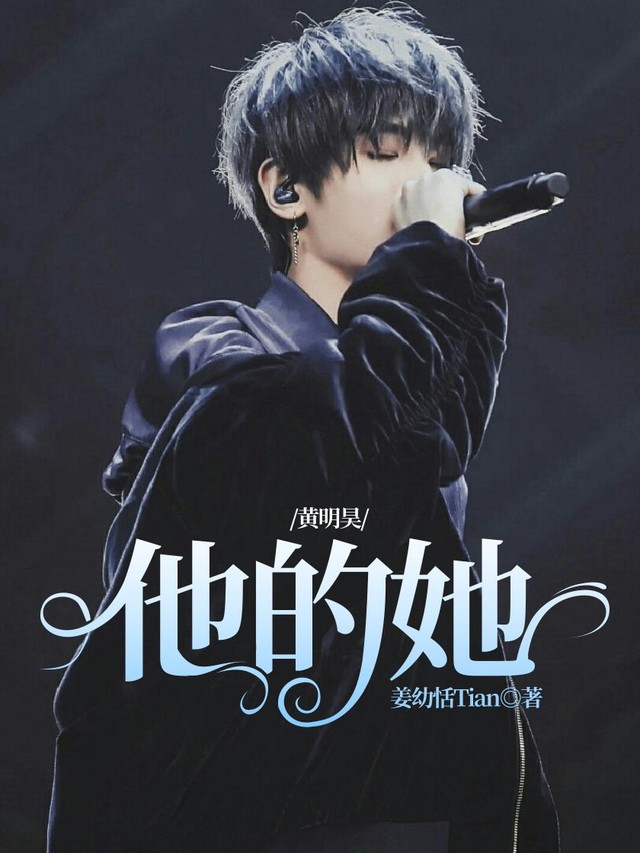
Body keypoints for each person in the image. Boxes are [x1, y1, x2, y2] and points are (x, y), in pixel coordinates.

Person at [48, 6, 560, 852]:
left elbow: (421, 440)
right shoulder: (224, 368)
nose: (425, 184)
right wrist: (431, 262)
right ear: (286, 188)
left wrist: (451, 287)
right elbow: (340, 428)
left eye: (440, 161)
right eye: (389, 152)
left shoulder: (387, 408)